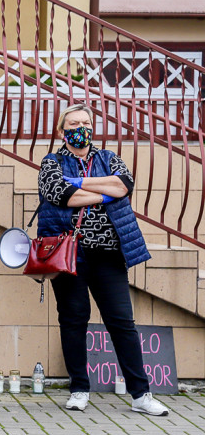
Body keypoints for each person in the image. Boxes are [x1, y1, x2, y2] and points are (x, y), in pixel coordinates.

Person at [38, 103, 169, 416]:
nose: (80, 128)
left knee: (122, 322)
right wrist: (104, 190)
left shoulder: (108, 158)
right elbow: (61, 194)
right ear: (61, 130)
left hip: (109, 254)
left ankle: (140, 395)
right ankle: (80, 389)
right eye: (73, 123)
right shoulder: (51, 162)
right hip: (69, 254)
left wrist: (81, 185)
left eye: (85, 122)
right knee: (73, 319)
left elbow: (124, 185)